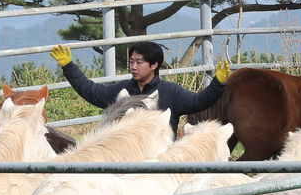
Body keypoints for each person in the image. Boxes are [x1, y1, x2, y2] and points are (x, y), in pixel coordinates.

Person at [49, 40, 230, 135]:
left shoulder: (171, 92)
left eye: (139, 62)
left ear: (154, 65)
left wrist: (218, 84)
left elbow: (199, 102)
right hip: (125, 156)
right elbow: (92, 92)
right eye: (131, 62)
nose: (133, 67)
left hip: (160, 159)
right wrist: (69, 67)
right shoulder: (121, 90)